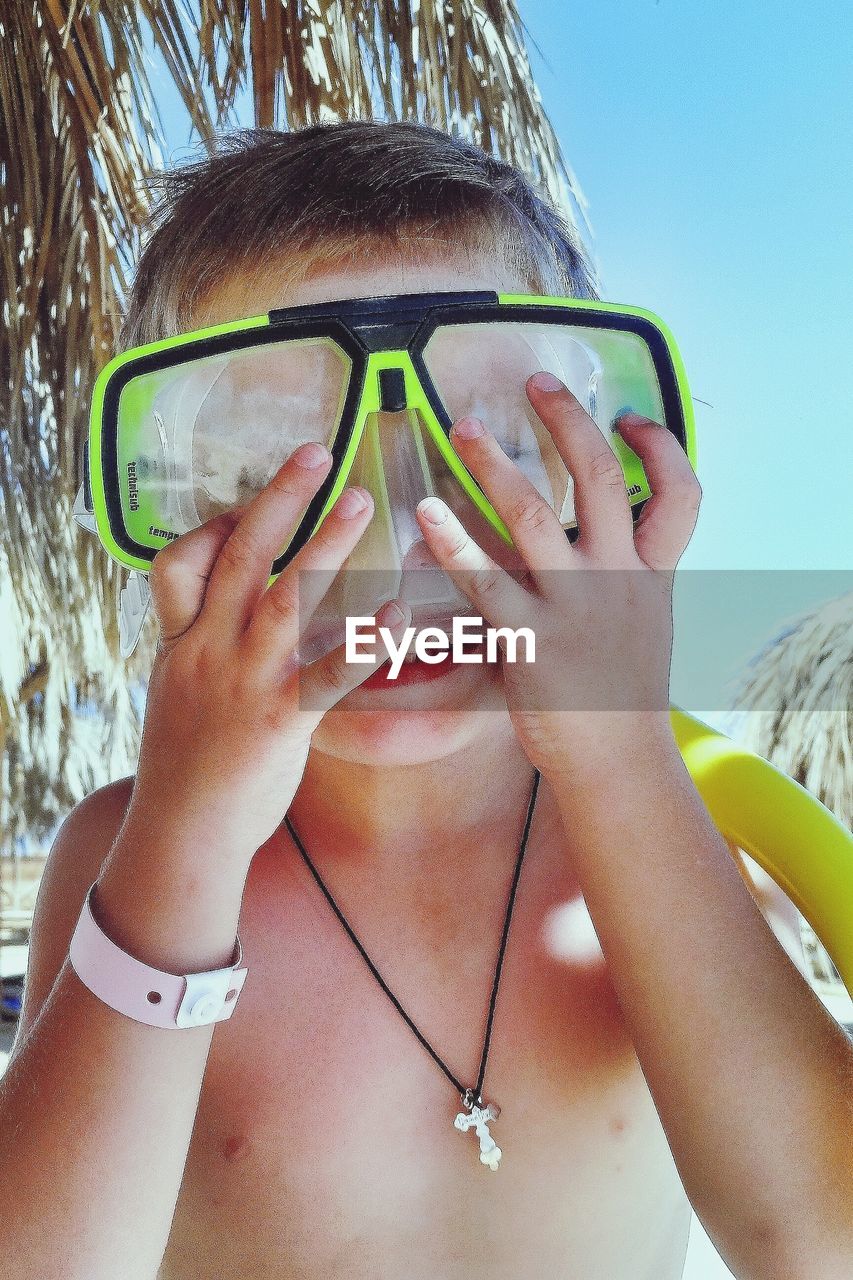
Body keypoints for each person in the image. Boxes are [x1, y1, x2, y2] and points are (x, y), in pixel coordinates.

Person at [2, 121, 851, 1280]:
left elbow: (814, 1242)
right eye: (272, 476)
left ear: (593, 472)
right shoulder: (129, 856)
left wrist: (618, 758)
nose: (391, 560)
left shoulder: (681, 850)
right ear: (173, 507)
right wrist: (188, 834)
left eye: (485, 450)